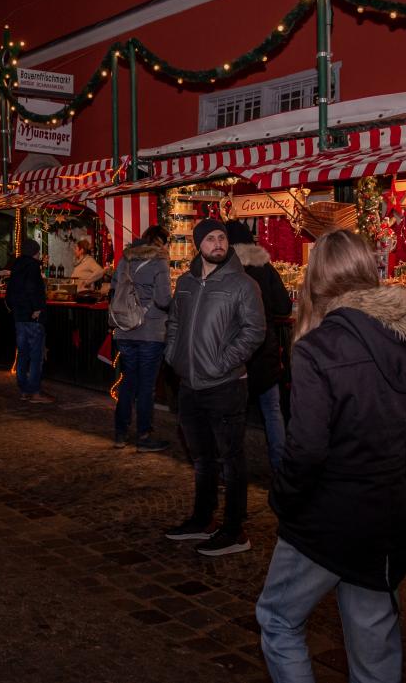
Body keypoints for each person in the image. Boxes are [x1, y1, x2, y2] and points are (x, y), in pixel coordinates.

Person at [256, 229, 406, 683]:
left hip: (324, 517)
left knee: (277, 619)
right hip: (382, 514)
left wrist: (285, 499)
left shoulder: (319, 346)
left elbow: (307, 447)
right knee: (373, 641)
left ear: (316, 279)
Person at [163, 218, 265, 557]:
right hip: (189, 384)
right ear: (198, 245)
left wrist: (222, 363)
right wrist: (174, 355)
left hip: (225, 385)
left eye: (222, 238)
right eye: (210, 239)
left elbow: (254, 331)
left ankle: (234, 530)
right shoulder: (187, 284)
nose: (218, 243)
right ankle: (201, 520)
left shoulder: (243, 285)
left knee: (231, 460)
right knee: (202, 459)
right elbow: (175, 321)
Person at [225, 220, 292, 472]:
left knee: (234, 416)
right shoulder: (265, 268)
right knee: (273, 412)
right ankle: (280, 469)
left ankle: (231, 470)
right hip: (265, 350)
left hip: (235, 354)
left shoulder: (223, 271)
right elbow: (284, 306)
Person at [110, 225, 172, 451]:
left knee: (128, 381)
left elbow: (115, 289)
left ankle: (120, 433)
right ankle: (144, 436)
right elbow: (164, 299)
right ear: (161, 242)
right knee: (146, 386)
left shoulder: (125, 258)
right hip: (150, 332)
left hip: (125, 330)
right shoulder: (160, 260)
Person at [5, 238, 53, 404]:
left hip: (19, 316)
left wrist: (16, 308)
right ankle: (34, 391)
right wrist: (37, 308)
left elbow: (9, 294)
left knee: (23, 354)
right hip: (32, 317)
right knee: (36, 355)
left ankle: (24, 389)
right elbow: (34, 289)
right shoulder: (32, 266)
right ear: (34, 252)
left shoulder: (16, 267)